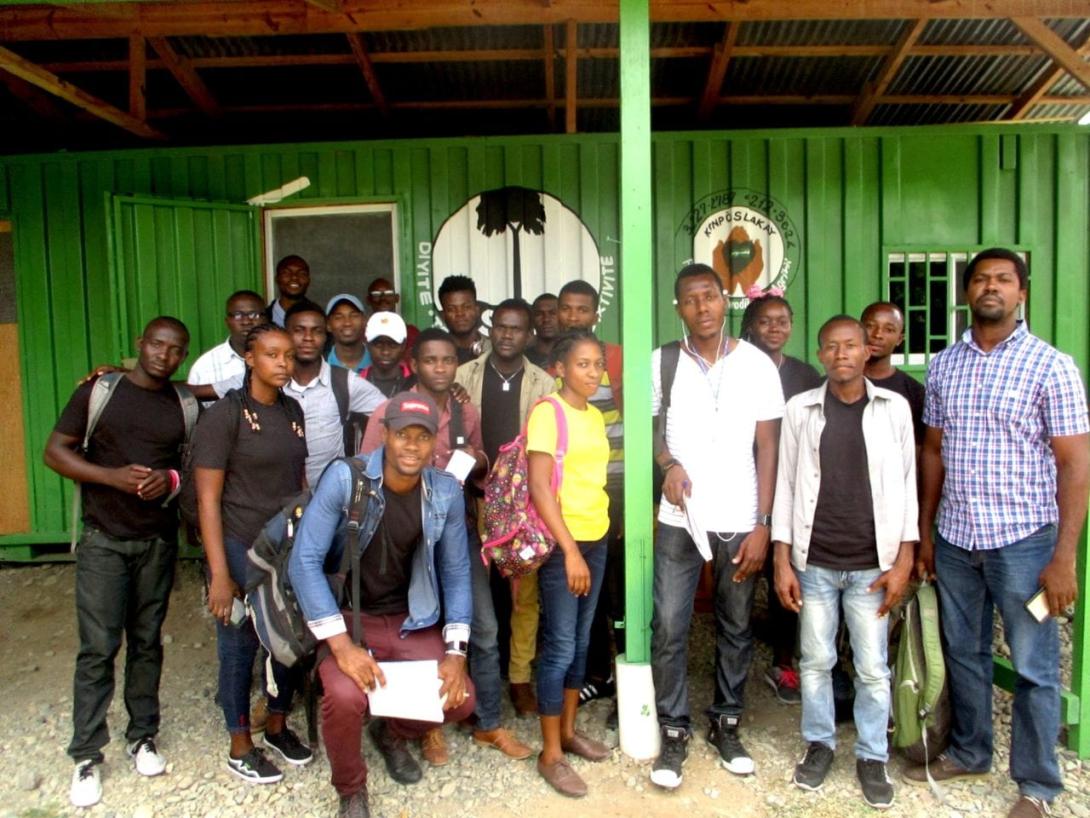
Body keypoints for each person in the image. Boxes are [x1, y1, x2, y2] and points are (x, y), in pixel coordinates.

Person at [909, 248, 1090, 818]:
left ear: (1022, 293)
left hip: (1026, 543)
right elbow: (933, 452)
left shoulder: (1052, 366)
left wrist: (1064, 557)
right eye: (982, 279)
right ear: (967, 293)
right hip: (959, 540)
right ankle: (970, 750)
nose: (992, 288)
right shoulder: (944, 365)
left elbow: (1075, 466)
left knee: (1035, 666)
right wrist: (927, 531)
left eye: (1004, 280)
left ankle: (1037, 786)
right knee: (964, 653)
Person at [290, 391, 477, 818]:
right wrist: (341, 647)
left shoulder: (443, 491)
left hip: (410, 618)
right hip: (349, 619)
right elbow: (304, 561)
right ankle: (351, 789)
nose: (412, 446)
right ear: (385, 436)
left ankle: (392, 732)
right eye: (403, 435)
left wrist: (455, 652)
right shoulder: (347, 479)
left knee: (460, 699)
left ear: (434, 445)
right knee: (343, 695)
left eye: (423, 437)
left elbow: (456, 573)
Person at [45, 317, 192, 809]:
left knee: (147, 642)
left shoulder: (183, 404)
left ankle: (142, 736)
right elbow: (55, 453)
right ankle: (87, 754)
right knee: (99, 648)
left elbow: (189, 470)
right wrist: (110, 477)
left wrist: (169, 481)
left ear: (182, 356)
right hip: (104, 540)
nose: (163, 355)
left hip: (156, 542)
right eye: (156, 345)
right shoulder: (100, 392)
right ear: (140, 345)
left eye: (175, 350)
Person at [771, 315, 917, 810]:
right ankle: (820, 744)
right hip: (815, 560)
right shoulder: (801, 409)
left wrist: (905, 559)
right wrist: (781, 558)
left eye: (850, 345)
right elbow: (786, 484)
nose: (842, 355)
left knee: (873, 668)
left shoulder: (893, 408)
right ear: (820, 354)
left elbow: (907, 486)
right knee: (815, 661)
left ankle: (872, 756)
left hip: (872, 565)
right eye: (830, 347)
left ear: (866, 350)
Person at [648, 264, 783, 790]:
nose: (701, 307)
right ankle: (674, 727)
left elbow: (768, 446)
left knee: (736, 625)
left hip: (740, 517)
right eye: (689, 299)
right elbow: (650, 429)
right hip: (680, 517)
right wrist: (667, 465)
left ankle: (727, 722)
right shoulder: (662, 362)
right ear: (678, 307)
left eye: (709, 296)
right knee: (669, 625)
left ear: (724, 301)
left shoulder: (755, 365)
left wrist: (763, 523)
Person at [191, 322, 313, 784]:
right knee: (240, 642)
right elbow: (207, 500)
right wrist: (219, 574)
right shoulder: (225, 416)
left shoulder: (292, 410)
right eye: (271, 355)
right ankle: (240, 742)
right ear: (249, 358)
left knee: (290, 635)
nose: (283, 364)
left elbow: (295, 482)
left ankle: (278, 723)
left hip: (284, 544)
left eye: (288, 356)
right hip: (240, 542)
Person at [361, 327, 488, 766]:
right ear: (414, 364)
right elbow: (366, 475)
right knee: (410, 625)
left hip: (451, 533)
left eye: (448, 361)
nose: (440, 368)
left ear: (457, 365)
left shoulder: (464, 411)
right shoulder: (387, 411)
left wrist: (472, 460)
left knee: (472, 621)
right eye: (431, 360)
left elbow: (480, 459)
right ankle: (400, 721)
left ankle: (437, 719)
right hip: (402, 539)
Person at [456, 298, 555, 720]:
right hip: (473, 500)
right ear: (490, 328)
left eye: (517, 328)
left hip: (521, 508)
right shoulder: (464, 375)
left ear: (529, 334)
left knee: (523, 597)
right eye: (501, 326)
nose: (507, 335)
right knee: (471, 593)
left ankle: (518, 678)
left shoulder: (544, 383)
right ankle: (472, 679)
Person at [528, 329, 613, 798]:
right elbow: (541, 488)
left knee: (581, 640)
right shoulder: (548, 412)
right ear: (559, 368)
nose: (592, 371)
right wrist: (571, 551)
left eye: (597, 363)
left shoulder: (596, 415)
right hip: (565, 546)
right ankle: (550, 754)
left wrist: (595, 538)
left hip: (595, 536)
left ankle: (567, 731)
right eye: (582, 363)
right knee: (560, 644)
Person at [739, 287, 822, 704]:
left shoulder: (805, 375)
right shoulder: (737, 367)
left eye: (782, 321)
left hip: (791, 486)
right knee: (737, 576)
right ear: (752, 324)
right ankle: (731, 662)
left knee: (785, 575)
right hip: (739, 483)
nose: (775, 328)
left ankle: (784, 662)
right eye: (766, 320)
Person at [208, 302, 385, 489]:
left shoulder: (343, 382)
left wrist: (365, 465)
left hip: (330, 500)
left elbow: (390, 410)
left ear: (326, 336)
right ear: (286, 335)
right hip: (274, 498)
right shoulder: (265, 377)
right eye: (299, 330)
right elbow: (201, 392)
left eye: (316, 331)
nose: (308, 338)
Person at [555, 280, 624, 717]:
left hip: (614, 485)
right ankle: (597, 672)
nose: (574, 315)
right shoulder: (554, 365)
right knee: (583, 592)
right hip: (571, 495)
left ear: (595, 313)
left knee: (617, 586)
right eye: (567, 309)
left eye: (583, 309)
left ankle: (625, 670)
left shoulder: (613, 358)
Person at [861, 301, 926, 445]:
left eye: (889, 330)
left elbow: (917, 450)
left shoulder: (915, 393)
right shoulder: (834, 385)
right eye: (870, 326)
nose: (878, 334)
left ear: (899, 339)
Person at [188, 290, 265, 403]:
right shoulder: (204, 366)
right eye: (238, 315)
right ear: (227, 321)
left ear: (266, 319)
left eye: (254, 314)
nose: (246, 321)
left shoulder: (280, 359)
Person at [361, 311, 415, 398]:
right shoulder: (357, 383)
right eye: (378, 344)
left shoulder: (416, 384)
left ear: (403, 345)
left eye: (392, 345)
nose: (385, 352)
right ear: (367, 344)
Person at [437, 275, 489, 365]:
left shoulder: (494, 350)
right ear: (443, 315)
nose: (460, 314)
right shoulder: (435, 352)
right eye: (452, 309)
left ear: (477, 310)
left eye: (466, 307)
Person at [367, 276, 419, 361]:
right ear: (368, 300)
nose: (383, 299)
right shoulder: (363, 333)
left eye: (388, 294)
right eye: (376, 295)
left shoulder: (411, 333)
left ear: (397, 298)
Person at [326, 293, 372, 374]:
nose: (347, 323)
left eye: (354, 316)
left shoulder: (378, 362)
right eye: (338, 317)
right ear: (328, 325)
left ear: (364, 321)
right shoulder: (320, 365)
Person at [267, 255, 312, 327]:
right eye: (286, 273)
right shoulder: (264, 317)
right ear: (277, 279)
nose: (294, 277)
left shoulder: (318, 315)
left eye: (301, 273)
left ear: (308, 280)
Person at [526, 293, 559, 368]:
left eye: (552, 313)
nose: (546, 319)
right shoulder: (522, 360)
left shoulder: (573, 355)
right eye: (539, 314)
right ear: (532, 320)